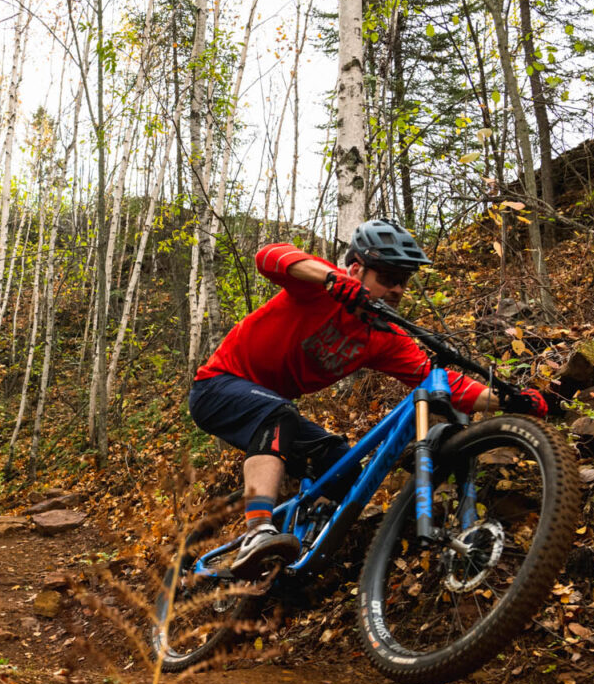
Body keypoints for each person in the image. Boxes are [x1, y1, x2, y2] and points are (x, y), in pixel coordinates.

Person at [188, 218, 548, 578]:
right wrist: (331, 279)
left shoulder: (382, 336)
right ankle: (257, 532)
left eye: (403, 281)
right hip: (218, 386)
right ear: (357, 269)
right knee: (277, 415)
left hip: (271, 405)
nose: (396, 289)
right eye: (388, 277)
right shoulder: (319, 286)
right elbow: (269, 256)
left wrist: (509, 401)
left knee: (342, 468)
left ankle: (292, 561)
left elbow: (443, 382)